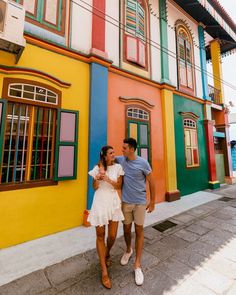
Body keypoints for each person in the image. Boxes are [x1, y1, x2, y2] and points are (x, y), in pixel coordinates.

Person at [116, 138, 156, 286]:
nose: (122, 150)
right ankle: (128, 250)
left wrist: (152, 202)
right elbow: (107, 159)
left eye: (124, 148)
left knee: (139, 230)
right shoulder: (121, 160)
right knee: (126, 229)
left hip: (140, 203)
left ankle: (137, 265)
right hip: (126, 203)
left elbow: (152, 182)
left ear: (132, 149)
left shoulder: (143, 163)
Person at [88, 145, 124, 289]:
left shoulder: (118, 168)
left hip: (113, 202)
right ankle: (104, 270)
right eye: (110, 153)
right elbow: (94, 187)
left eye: (113, 152)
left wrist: (108, 179)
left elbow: (119, 186)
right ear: (104, 155)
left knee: (112, 236)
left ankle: (106, 253)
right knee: (100, 235)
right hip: (100, 203)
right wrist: (97, 178)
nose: (113, 154)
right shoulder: (97, 168)